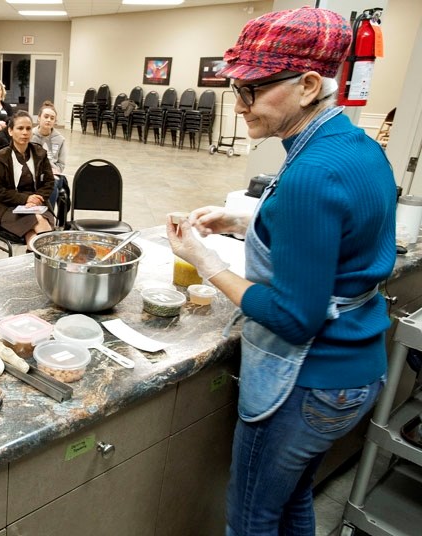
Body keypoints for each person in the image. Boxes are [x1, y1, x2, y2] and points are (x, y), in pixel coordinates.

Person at [164, 8, 395, 535]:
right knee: (293, 503)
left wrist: (208, 261)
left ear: (309, 84)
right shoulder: (353, 146)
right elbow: (336, 235)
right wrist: (248, 218)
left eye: (253, 90)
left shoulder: (310, 173)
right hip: (356, 373)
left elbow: (295, 318)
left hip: (309, 381)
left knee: (252, 519)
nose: (240, 105)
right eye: (237, 90)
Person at [0, 111, 55, 249]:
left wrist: (36, 199)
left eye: (28, 128)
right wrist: (26, 199)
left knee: (34, 231)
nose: (25, 132)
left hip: (37, 204)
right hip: (7, 208)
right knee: (38, 220)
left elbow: (49, 182)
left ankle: (33, 265)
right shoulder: (2, 156)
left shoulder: (40, 153)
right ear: (10, 131)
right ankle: (49, 260)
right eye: (20, 128)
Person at [31, 101, 67, 175]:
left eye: (52, 118)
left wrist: (55, 171)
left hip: (52, 174)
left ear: (55, 121)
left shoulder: (60, 139)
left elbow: (61, 164)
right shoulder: (29, 136)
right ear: (39, 118)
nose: (49, 120)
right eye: (46, 117)